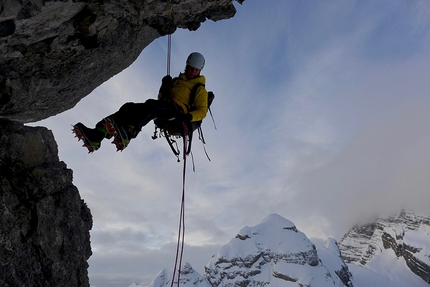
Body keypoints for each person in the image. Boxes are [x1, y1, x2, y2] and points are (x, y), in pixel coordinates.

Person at [73, 52, 209, 152]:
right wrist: (164, 85)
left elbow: (202, 111)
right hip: (165, 107)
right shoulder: (176, 81)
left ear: (200, 70)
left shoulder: (199, 89)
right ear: (187, 66)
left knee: (152, 107)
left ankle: (130, 132)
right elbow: (161, 98)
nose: (192, 72)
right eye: (191, 68)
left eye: (196, 70)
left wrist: (189, 117)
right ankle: (98, 134)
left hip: (177, 113)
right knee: (128, 107)